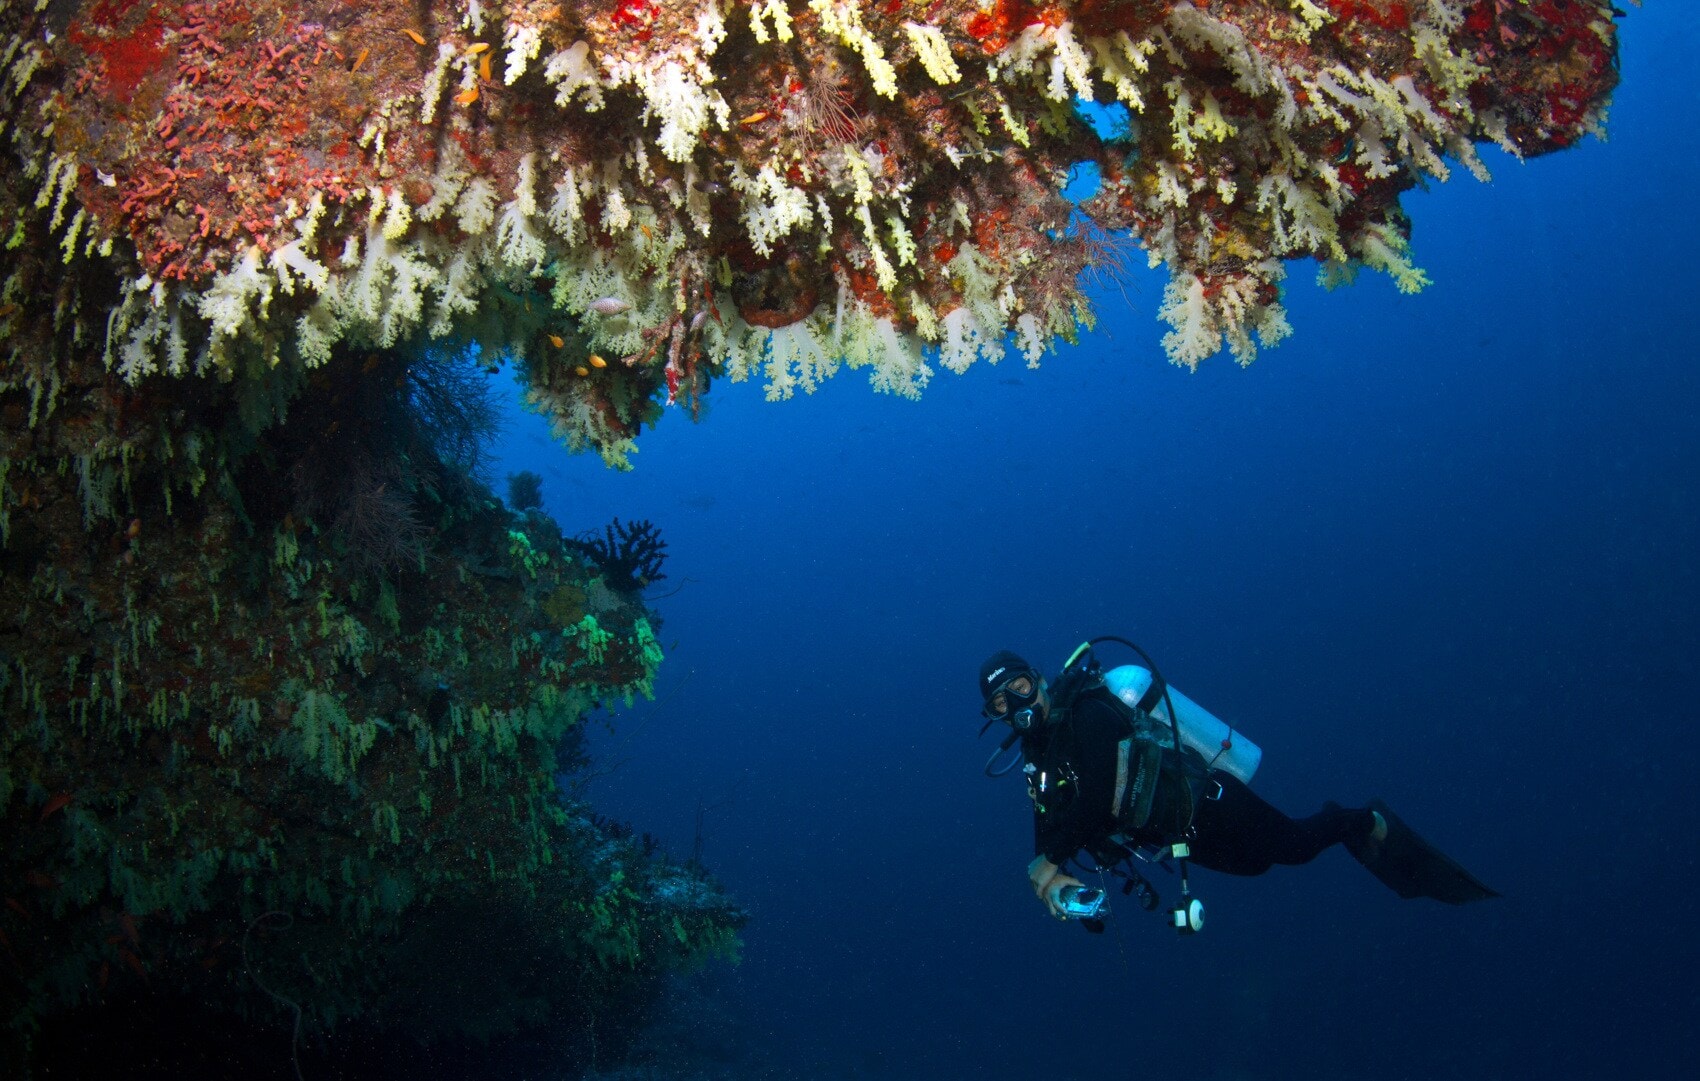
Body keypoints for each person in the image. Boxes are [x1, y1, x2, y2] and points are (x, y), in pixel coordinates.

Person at [977, 644, 1498, 928]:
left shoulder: (1089, 710)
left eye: (1020, 688)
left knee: (1292, 847)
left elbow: (1096, 793)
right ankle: (1342, 825)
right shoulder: (1038, 757)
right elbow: (1050, 821)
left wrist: (1046, 865)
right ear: (995, 716)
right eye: (1002, 704)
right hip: (1172, 836)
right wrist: (1050, 878)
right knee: (1255, 866)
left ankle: (1354, 820)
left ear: (1039, 680)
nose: (1017, 706)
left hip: (1207, 798)